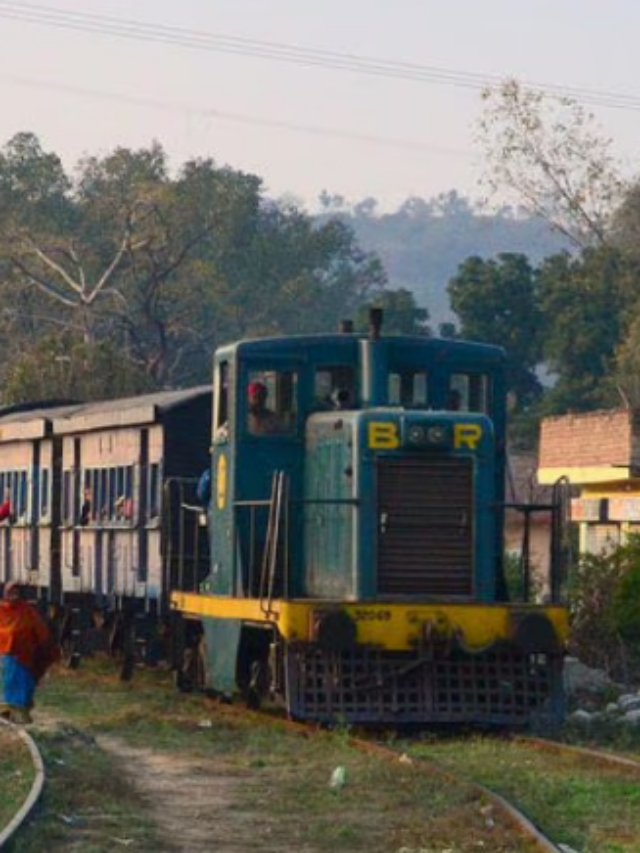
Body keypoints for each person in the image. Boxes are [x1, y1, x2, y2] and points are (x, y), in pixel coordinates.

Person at [0, 582, 59, 723]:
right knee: (10, 681)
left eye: (16, 593)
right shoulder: (2, 611)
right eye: (11, 593)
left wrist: (46, 646)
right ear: (5, 594)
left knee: (25, 682)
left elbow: (40, 630)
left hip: (26, 655)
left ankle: (20, 713)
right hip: (7, 655)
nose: (13, 596)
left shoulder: (26, 610)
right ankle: (9, 712)